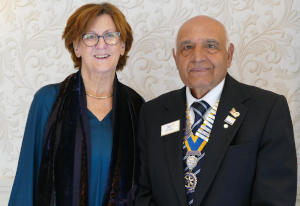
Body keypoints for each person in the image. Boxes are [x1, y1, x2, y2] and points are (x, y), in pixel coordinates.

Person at [135, 15, 297, 206]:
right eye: (187, 47)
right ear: (175, 57)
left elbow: (275, 199)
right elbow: (142, 193)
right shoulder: (153, 113)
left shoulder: (267, 110)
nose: (197, 57)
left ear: (229, 55)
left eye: (211, 46)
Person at [9, 3, 144, 206]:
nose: (101, 44)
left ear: (123, 45)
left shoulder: (137, 106)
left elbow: (145, 186)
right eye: (90, 36)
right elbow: (27, 180)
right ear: (76, 47)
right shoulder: (48, 101)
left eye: (110, 36)